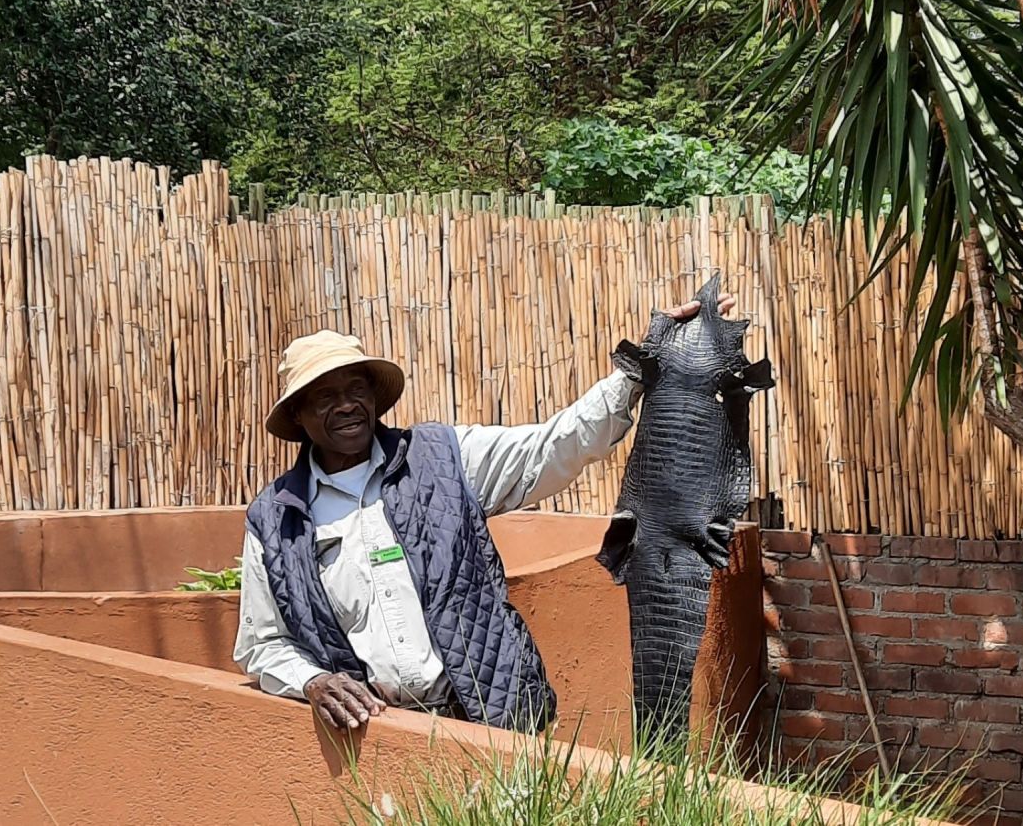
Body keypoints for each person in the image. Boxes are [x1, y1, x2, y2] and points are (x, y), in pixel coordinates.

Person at [234, 292, 735, 733]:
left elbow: (552, 446)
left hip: (495, 726)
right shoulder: (275, 521)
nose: (346, 406)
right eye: (325, 396)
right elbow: (262, 645)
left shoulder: (444, 459)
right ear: (297, 416)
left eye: (356, 390)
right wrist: (315, 682)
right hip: (377, 744)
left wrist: (637, 368)